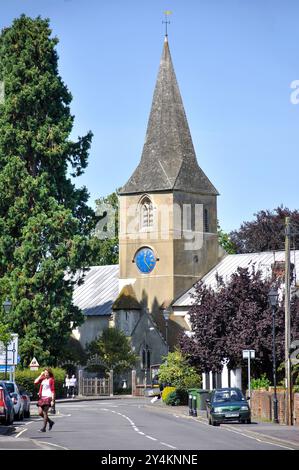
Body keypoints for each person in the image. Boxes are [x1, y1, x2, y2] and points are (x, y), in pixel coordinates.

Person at [34, 368, 55, 432]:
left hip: (48, 398)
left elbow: (53, 391)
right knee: (40, 413)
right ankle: (50, 422)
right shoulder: (43, 379)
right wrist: (40, 375)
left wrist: (52, 400)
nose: (45, 374)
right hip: (42, 398)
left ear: (49, 374)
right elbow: (35, 382)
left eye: (47, 373)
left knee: (45, 413)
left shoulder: (51, 380)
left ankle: (43, 428)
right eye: (45, 373)